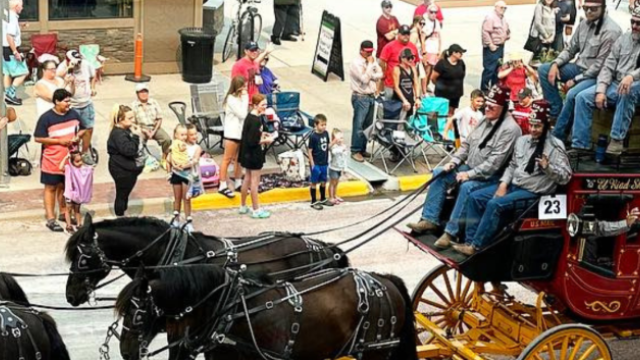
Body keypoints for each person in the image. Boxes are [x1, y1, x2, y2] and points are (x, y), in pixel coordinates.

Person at [406, 85, 522, 248]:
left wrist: (470, 174)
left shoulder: (510, 129)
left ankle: (450, 233)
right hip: (470, 166)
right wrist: (454, 161)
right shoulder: (485, 119)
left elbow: (494, 163)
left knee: (467, 186)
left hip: (491, 177)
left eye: (491, 106)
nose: (486, 108)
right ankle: (429, 219)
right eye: (486, 104)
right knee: (440, 172)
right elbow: (466, 144)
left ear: (503, 108)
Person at [453, 100, 572, 255]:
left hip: (533, 194)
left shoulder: (555, 146)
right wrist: (503, 184)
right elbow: (512, 166)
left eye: (538, 126)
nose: (533, 129)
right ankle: (469, 241)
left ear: (546, 126)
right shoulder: (522, 141)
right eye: (531, 125)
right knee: (476, 197)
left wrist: (548, 167)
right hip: (513, 186)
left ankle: (476, 246)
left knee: (494, 204)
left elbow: (565, 177)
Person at [540, 0, 621, 140]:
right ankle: (556, 112)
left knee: (573, 94)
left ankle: (558, 135)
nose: (588, 12)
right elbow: (571, 49)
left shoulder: (612, 31)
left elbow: (601, 66)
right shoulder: (583, 24)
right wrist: (555, 63)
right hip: (578, 67)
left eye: (593, 9)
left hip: (596, 76)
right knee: (544, 69)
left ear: (603, 8)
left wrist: (576, 80)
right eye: (585, 8)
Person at [572, 11, 640, 155]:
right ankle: (581, 146)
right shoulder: (624, 39)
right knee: (582, 97)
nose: (634, 26)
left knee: (628, 90)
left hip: (635, 85)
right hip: (617, 83)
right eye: (632, 22)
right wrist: (601, 91)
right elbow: (608, 66)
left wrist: (631, 76)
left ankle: (617, 139)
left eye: (638, 23)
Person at [34, 89, 86, 232]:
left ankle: (65, 213)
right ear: (57, 101)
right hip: (52, 160)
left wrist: (77, 137)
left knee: (65, 188)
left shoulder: (74, 114)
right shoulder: (46, 118)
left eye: (69, 100)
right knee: (51, 188)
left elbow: (83, 129)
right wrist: (59, 141)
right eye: (66, 101)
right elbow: (38, 138)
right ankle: (51, 218)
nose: (69, 103)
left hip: (69, 161)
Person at [56, 50, 97, 165]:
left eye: (79, 61)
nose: (78, 64)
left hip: (86, 102)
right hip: (72, 105)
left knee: (88, 128)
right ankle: (72, 153)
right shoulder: (62, 68)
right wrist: (69, 69)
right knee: (71, 132)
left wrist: (93, 88)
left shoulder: (86, 64)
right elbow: (58, 81)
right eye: (76, 62)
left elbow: (93, 76)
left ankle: (84, 153)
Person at [238, 94, 274, 219]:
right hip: (254, 154)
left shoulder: (250, 117)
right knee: (254, 182)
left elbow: (250, 135)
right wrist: (266, 140)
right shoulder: (255, 121)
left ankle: (243, 205)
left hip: (246, 154)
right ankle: (256, 209)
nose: (265, 107)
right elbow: (253, 141)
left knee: (247, 179)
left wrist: (262, 133)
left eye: (265, 105)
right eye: (262, 105)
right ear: (255, 105)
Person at [107, 104, 144, 217]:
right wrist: (136, 136)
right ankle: (120, 215)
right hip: (121, 169)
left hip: (124, 166)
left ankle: (123, 213)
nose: (133, 120)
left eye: (133, 117)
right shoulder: (119, 134)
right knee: (122, 194)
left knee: (124, 193)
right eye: (130, 118)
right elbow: (129, 150)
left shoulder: (123, 130)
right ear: (120, 120)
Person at [349, 40, 382, 163]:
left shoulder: (371, 61)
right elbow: (363, 80)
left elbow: (380, 74)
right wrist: (369, 67)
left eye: (370, 52)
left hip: (371, 96)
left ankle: (362, 148)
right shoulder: (355, 63)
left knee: (367, 125)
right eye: (367, 52)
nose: (369, 54)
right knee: (359, 125)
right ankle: (355, 150)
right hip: (360, 97)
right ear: (361, 50)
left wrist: (371, 73)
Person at [220, 76, 249, 198]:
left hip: (241, 133)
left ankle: (238, 182)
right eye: (244, 86)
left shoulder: (240, 98)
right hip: (232, 133)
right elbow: (242, 114)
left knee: (239, 160)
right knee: (227, 159)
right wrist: (246, 98)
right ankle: (222, 184)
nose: (246, 89)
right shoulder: (231, 99)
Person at [131, 83, 171, 163]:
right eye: (141, 92)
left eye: (145, 91)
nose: (144, 94)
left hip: (154, 126)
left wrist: (154, 131)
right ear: (137, 94)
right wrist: (144, 130)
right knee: (137, 142)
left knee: (167, 139)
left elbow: (159, 118)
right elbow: (133, 123)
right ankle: (140, 159)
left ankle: (166, 158)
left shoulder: (154, 102)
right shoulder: (134, 105)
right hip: (142, 128)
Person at [379, 25, 419, 100]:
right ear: (398, 34)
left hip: (407, 85)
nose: (406, 36)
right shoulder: (389, 46)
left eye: (408, 34)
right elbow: (382, 61)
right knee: (390, 107)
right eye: (403, 34)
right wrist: (384, 73)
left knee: (406, 107)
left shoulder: (413, 47)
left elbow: (415, 63)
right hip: (391, 84)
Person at [59, 150, 94, 234]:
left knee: (77, 209)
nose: (80, 163)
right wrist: (65, 158)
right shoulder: (68, 168)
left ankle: (79, 224)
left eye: (81, 160)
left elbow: (91, 169)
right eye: (77, 161)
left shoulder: (83, 169)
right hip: (70, 193)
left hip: (78, 194)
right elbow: (60, 168)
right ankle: (69, 225)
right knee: (68, 209)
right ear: (72, 161)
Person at [168, 124, 195, 231]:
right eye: (181, 134)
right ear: (176, 135)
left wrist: (185, 165)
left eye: (185, 135)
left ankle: (188, 221)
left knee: (186, 198)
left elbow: (193, 159)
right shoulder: (173, 145)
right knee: (177, 198)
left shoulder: (189, 146)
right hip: (176, 173)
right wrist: (173, 164)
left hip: (186, 174)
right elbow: (170, 156)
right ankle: (176, 219)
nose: (183, 137)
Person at [481, 1, 510, 92]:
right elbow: (485, 32)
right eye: (501, 8)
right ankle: (484, 89)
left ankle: (495, 87)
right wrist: (490, 44)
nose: (503, 10)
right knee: (489, 69)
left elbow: (507, 29)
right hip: (492, 47)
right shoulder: (490, 18)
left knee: (498, 68)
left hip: (500, 46)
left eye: (505, 8)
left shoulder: (503, 18)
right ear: (496, 7)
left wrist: (507, 35)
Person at [3, 0, 28, 105]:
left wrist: (20, 25)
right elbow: (9, 36)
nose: (22, 8)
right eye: (21, 6)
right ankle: (10, 94)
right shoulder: (12, 18)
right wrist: (15, 52)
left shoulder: (5, 15)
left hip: (3, 49)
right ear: (16, 6)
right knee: (24, 72)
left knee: (7, 73)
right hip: (10, 49)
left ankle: (8, 95)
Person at [432, 44, 467, 116]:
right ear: (453, 53)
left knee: (451, 113)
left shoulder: (461, 63)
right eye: (460, 52)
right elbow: (433, 78)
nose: (461, 54)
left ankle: (449, 126)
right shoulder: (442, 64)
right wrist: (440, 86)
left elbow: (462, 74)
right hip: (443, 94)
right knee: (440, 112)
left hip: (456, 94)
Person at [308, 114, 331, 210]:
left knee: (323, 181)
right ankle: (313, 201)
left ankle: (322, 198)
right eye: (322, 125)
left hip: (324, 162)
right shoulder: (313, 136)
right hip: (316, 163)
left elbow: (328, 146)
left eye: (325, 124)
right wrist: (312, 163)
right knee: (314, 182)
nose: (324, 127)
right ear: (316, 125)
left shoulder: (326, 133)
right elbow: (309, 151)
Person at [393, 48, 420, 120]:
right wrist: (404, 100)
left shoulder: (413, 68)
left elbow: (416, 84)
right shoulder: (397, 69)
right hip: (399, 98)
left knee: (409, 119)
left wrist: (417, 98)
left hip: (410, 97)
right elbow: (396, 87)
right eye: (408, 58)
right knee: (400, 120)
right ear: (402, 59)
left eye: (412, 57)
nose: (411, 60)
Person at [421, 6, 442, 94]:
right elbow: (422, 38)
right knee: (427, 70)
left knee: (432, 70)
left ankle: (427, 85)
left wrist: (439, 49)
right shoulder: (425, 22)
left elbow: (439, 37)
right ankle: (424, 89)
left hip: (435, 50)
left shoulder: (437, 22)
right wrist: (424, 51)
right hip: (428, 49)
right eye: (432, 12)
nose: (433, 14)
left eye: (435, 12)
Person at [328, 128, 347, 206]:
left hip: (339, 168)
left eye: (341, 138)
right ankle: (331, 197)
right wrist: (342, 149)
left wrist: (345, 168)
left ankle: (335, 195)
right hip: (333, 168)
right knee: (332, 183)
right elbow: (334, 152)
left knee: (336, 183)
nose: (340, 140)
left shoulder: (343, 146)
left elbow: (345, 158)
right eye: (337, 138)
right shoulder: (334, 146)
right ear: (334, 139)